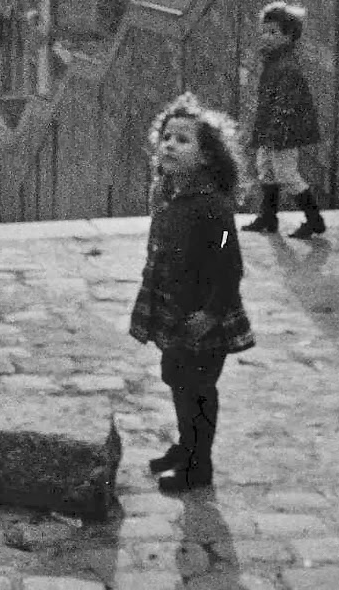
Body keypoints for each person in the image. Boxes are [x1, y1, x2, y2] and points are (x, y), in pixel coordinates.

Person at [129, 92, 254, 493]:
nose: (170, 144)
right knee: (176, 377)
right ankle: (186, 446)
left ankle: (200, 466)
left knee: (197, 389)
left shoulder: (212, 207)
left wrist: (212, 313)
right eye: (166, 137)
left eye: (183, 140)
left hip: (203, 316)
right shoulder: (168, 193)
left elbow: (230, 263)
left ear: (205, 157)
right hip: (176, 309)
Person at [243, 1, 326, 239]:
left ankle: (314, 220)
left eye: (273, 32)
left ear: (288, 36)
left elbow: (287, 104)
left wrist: (275, 133)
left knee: (287, 174)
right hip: (272, 129)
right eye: (264, 32)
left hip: (283, 132)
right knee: (266, 170)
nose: (266, 37)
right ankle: (268, 217)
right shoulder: (274, 61)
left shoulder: (287, 67)